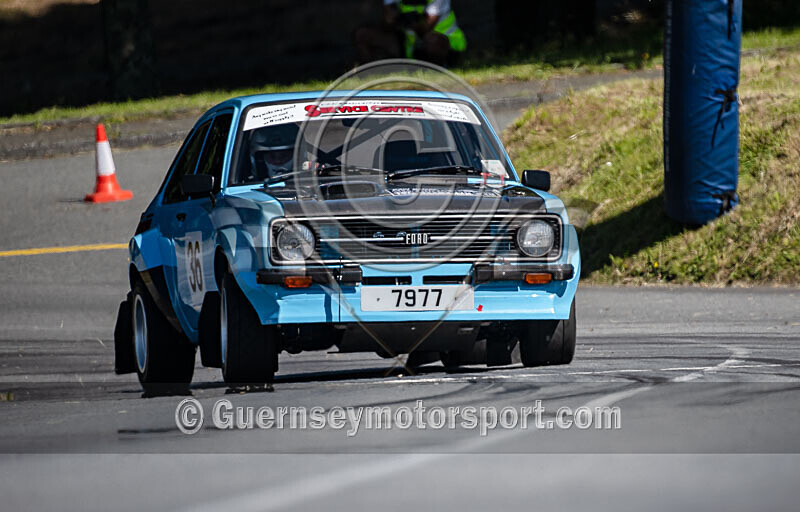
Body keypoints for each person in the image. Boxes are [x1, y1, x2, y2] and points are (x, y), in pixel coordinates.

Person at [354, 0, 467, 66]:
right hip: (407, 44)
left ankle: (439, 69)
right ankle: (370, 73)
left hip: (446, 44)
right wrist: (391, 19)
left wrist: (408, 21)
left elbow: (425, 29)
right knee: (362, 35)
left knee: (432, 40)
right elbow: (387, 25)